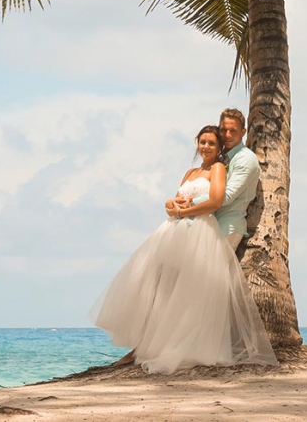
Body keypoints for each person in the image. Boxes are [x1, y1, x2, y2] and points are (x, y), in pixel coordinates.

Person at [89, 124, 277, 374]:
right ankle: (148, 343)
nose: (206, 147)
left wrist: (183, 211)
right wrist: (171, 204)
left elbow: (216, 201)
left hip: (199, 230)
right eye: (203, 142)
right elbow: (176, 198)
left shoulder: (219, 168)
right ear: (197, 144)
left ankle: (181, 345)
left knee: (190, 289)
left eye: (212, 143)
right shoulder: (190, 172)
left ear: (219, 147)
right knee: (162, 286)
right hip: (174, 231)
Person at [170, 108, 260, 249]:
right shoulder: (220, 158)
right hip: (208, 223)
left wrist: (189, 203)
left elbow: (226, 196)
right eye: (223, 130)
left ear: (243, 132)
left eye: (233, 131)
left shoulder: (245, 158)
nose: (227, 135)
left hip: (228, 225)